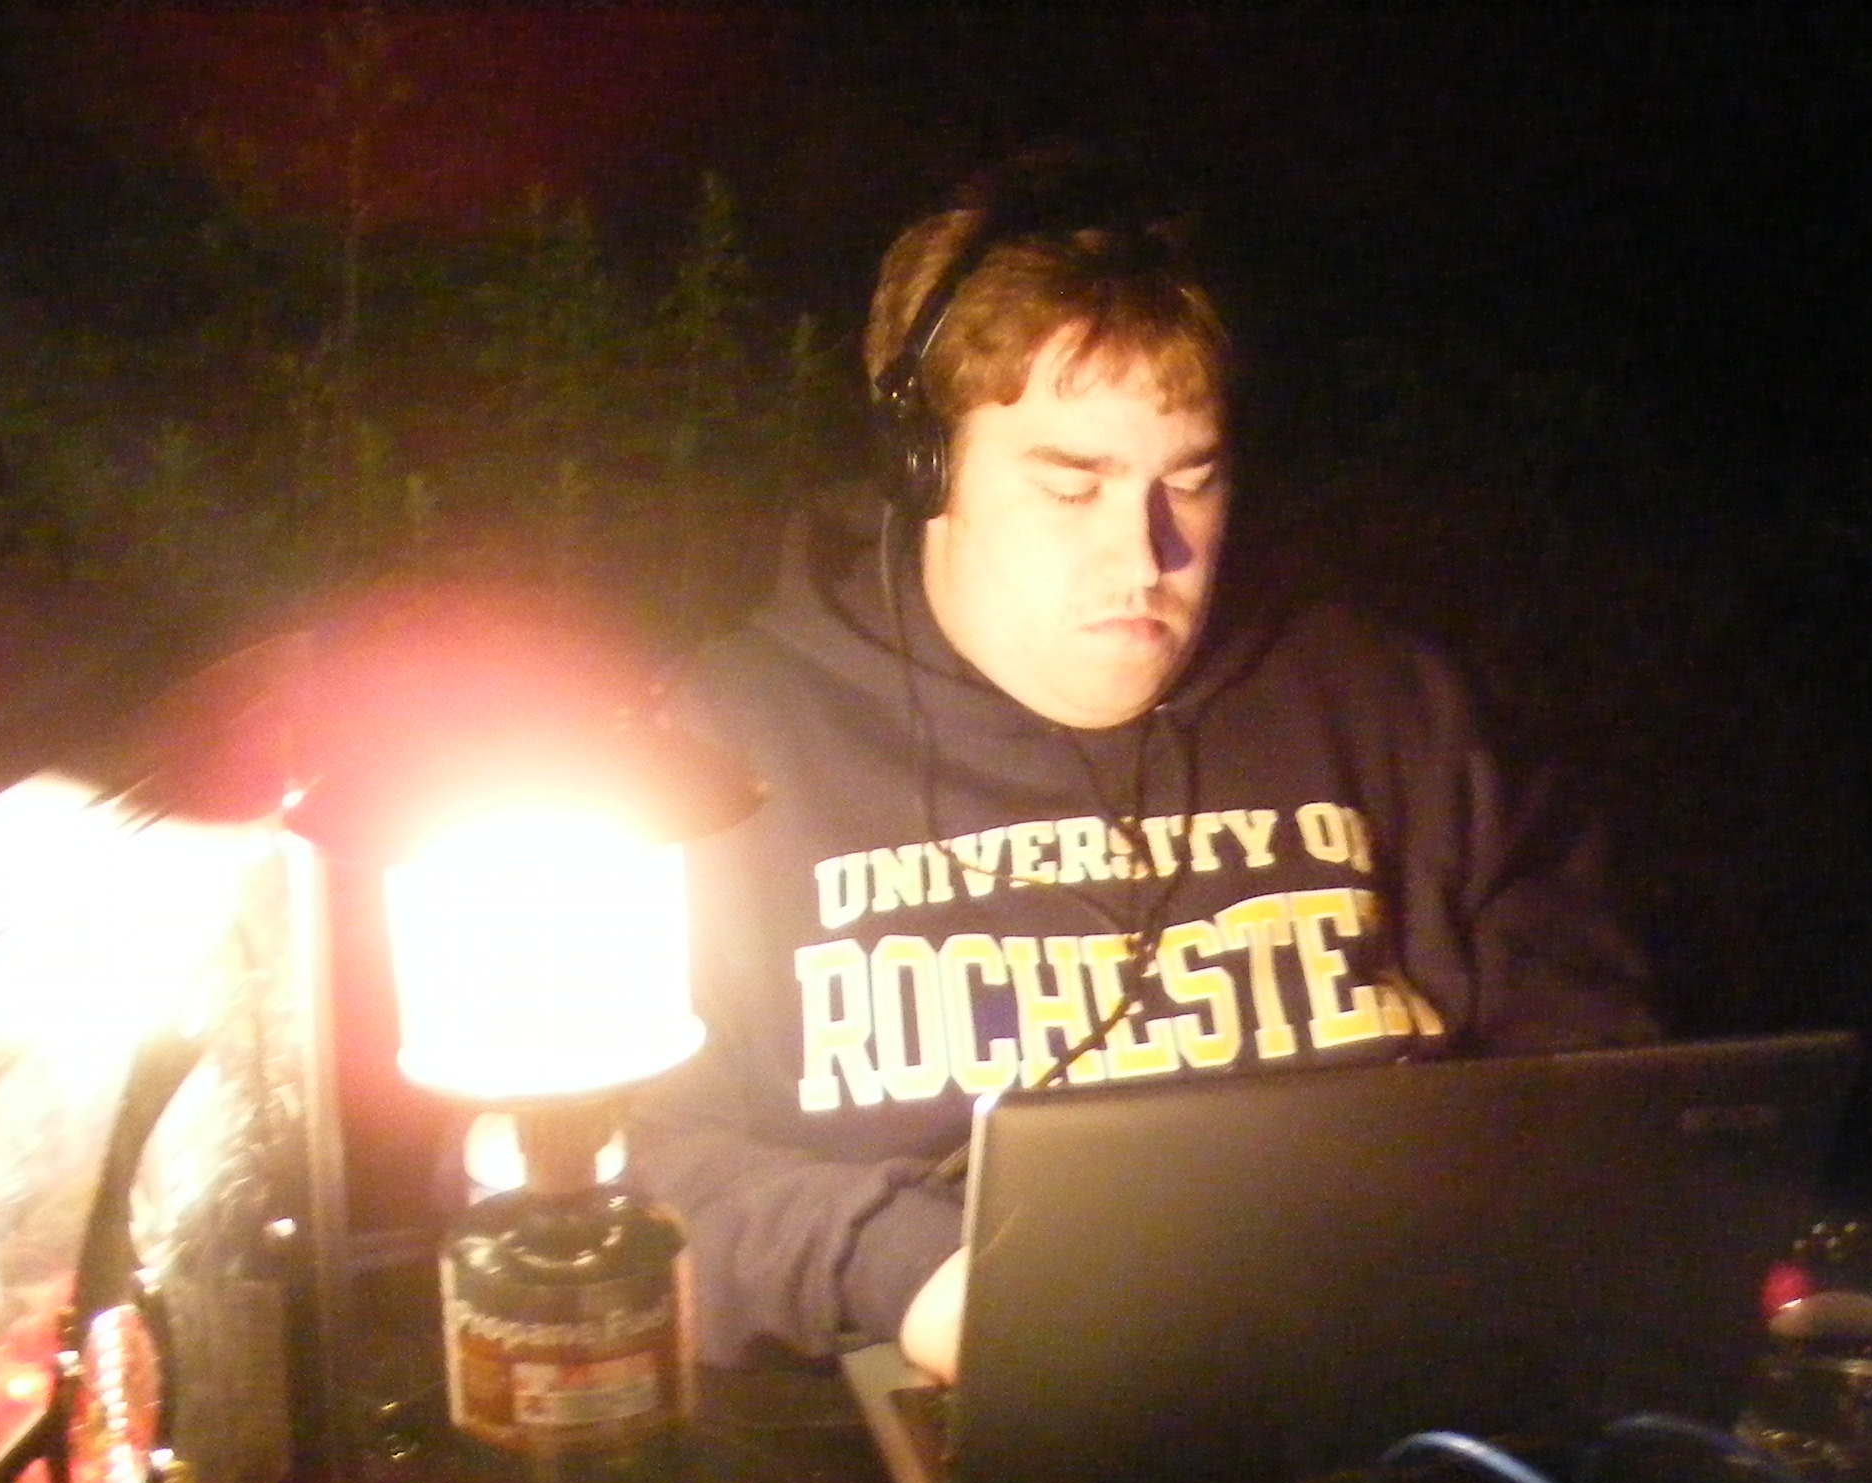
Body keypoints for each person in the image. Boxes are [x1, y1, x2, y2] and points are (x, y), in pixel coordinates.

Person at [630, 153, 1656, 1382]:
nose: (1144, 555)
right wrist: (912, 1271)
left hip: (1376, 1374)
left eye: (1192, 482)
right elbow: (606, 1163)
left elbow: (1609, 1096)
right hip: (940, 1384)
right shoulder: (717, 752)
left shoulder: (1395, 714)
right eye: (1073, 488)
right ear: (926, 469)